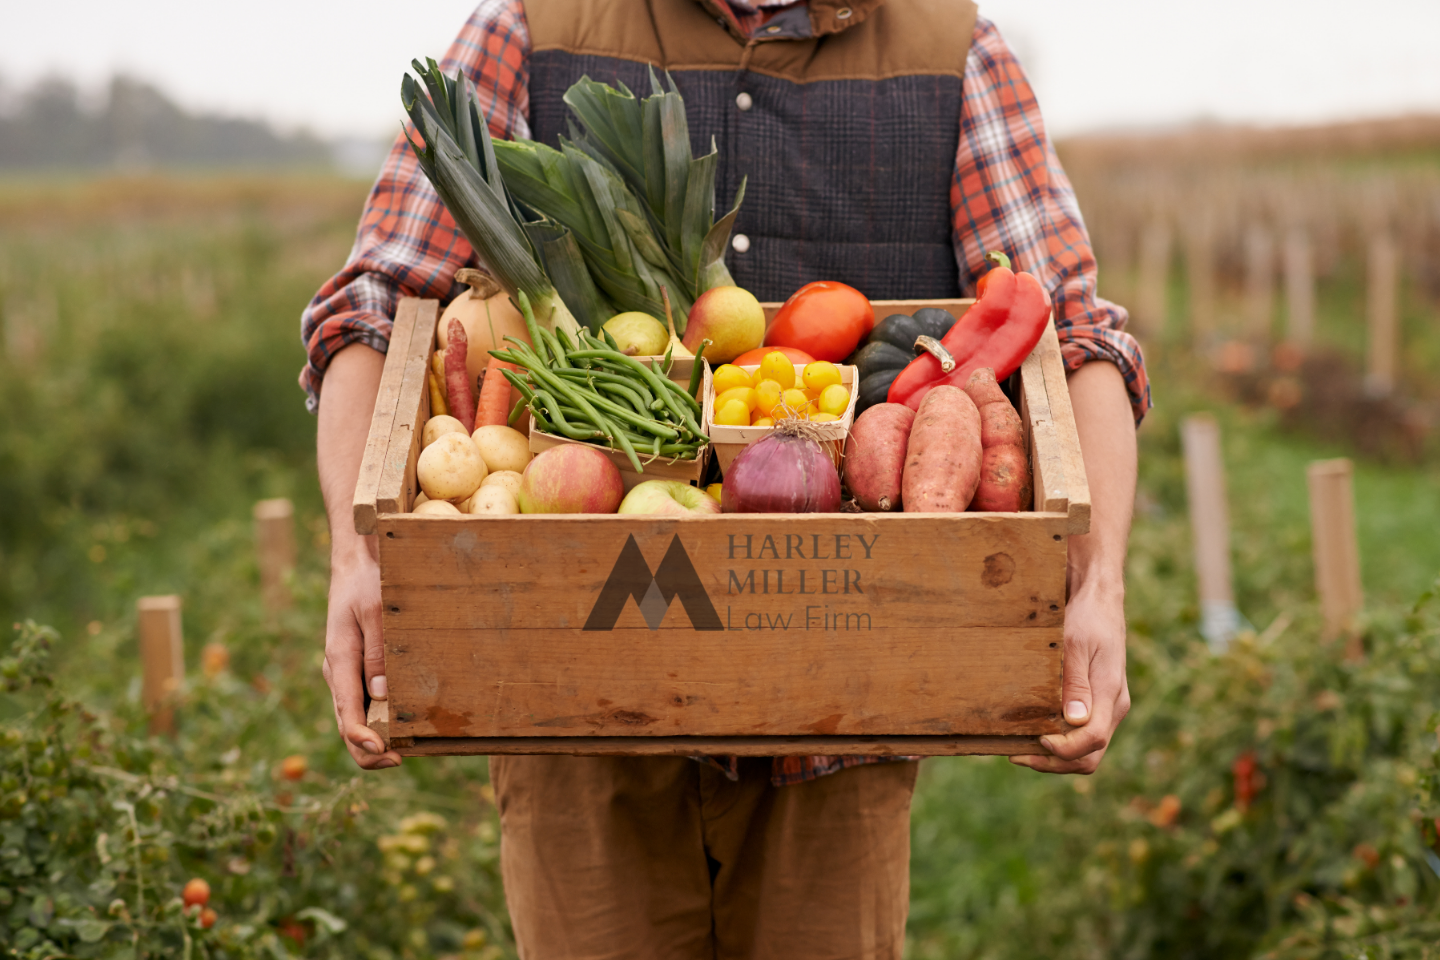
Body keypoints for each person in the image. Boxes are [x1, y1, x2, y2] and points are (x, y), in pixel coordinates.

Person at [305, 0, 1150, 955]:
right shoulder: (531, 28)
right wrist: (357, 552)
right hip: (579, 711)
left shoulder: (951, 48)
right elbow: (377, 308)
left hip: (846, 713)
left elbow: (1075, 338)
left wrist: (1098, 583)